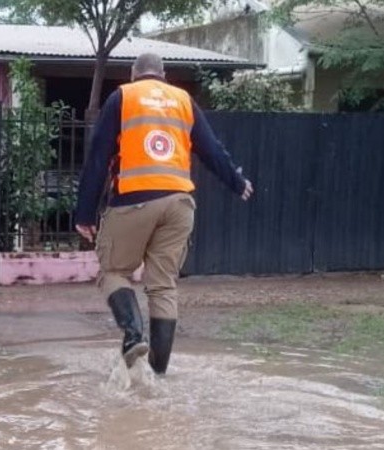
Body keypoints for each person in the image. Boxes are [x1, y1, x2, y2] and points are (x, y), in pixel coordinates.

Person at [75, 53, 254, 374]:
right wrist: (237, 181)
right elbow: (212, 149)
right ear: (163, 74)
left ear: (134, 74)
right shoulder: (183, 99)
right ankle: (158, 374)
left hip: (134, 200)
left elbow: (98, 156)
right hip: (179, 203)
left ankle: (133, 336)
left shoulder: (123, 97)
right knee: (163, 286)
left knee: (113, 271)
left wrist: (84, 213)